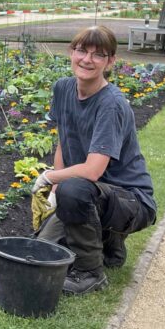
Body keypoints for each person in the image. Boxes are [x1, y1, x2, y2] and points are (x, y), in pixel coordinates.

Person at [34, 25, 157, 295]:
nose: (87, 59)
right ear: (71, 52)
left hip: (130, 200)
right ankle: (109, 244)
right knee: (41, 254)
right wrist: (55, 191)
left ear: (110, 61)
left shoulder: (111, 104)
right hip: (92, 193)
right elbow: (63, 142)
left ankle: (90, 273)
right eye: (82, 51)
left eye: (98, 54)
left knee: (74, 189)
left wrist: (49, 178)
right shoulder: (63, 89)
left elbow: (92, 171)